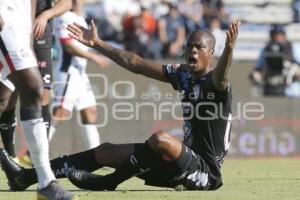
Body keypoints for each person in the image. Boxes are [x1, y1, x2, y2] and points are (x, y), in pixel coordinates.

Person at [0, 20, 240, 191]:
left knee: (161, 139)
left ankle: (109, 182)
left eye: (199, 47)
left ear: (211, 52)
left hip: (204, 172)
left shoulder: (217, 83)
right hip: (179, 162)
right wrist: (97, 43)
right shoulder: (184, 75)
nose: (193, 50)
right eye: (189, 46)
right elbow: (135, 63)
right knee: (105, 151)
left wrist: (229, 49)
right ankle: (26, 177)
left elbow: (223, 75)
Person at [0, 0, 76, 199]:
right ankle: (45, 182)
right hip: (4, 16)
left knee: (10, 98)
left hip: (19, 21)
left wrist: (26, 34)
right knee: (33, 88)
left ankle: (36, 179)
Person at [49, 0, 110, 148]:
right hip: (68, 72)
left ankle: (96, 156)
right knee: (60, 113)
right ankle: (32, 155)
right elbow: (68, 46)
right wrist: (94, 57)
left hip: (81, 74)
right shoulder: (63, 16)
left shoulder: (81, 17)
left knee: (90, 112)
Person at [249, 24, 300, 97]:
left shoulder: (292, 47)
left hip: (289, 85)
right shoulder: (266, 49)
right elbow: (258, 68)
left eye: (280, 35)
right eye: (275, 35)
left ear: (284, 35)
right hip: (271, 82)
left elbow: (297, 66)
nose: (278, 38)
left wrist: (288, 66)